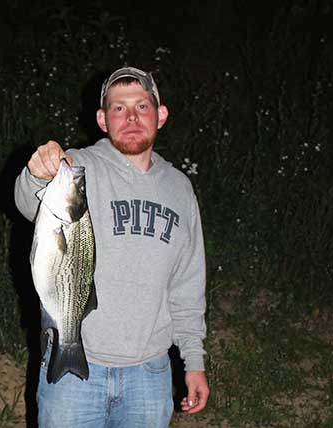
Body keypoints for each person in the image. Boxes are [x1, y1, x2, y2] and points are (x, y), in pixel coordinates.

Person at [14, 66, 209, 427]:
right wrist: (38, 172)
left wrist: (193, 361)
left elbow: (188, 282)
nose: (131, 117)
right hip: (71, 368)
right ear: (103, 119)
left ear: (160, 115)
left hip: (149, 374)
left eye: (141, 106)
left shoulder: (179, 188)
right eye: (119, 108)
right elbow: (29, 203)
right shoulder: (78, 166)